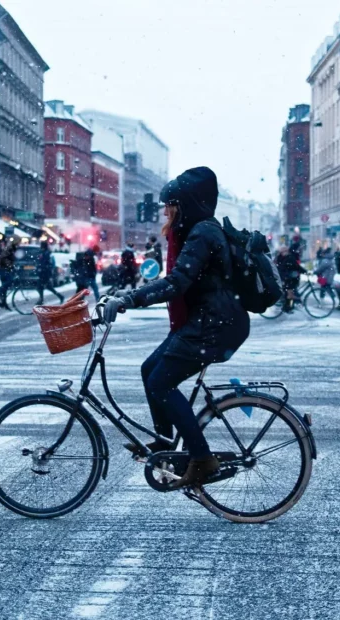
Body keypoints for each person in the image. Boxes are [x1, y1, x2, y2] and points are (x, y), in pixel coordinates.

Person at [103, 166, 250, 489]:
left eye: (171, 204)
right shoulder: (197, 230)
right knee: (149, 370)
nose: (166, 211)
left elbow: (177, 282)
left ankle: (202, 459)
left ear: (186, 204)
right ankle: (165, 442)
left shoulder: (203, 234)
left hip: (214, 325)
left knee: (161, 383)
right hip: (208, 321)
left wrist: (130, 299)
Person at [276, 246, 306, 313]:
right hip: (288, 279)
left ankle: (290, 307)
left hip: (287, 278)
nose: (284, 252)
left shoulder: (284, 257)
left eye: (285, 251)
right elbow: (296, 267)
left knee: (290, 294)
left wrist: (304, 271)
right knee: (290, 295)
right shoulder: (287, 258)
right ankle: (287, 308)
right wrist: (304, 271)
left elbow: (296, 266)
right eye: (283, 251)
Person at [0, 240, 18, 308]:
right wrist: (10, 266)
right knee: (9, 281)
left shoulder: (8, 250)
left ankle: (3, 303)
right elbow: (4, 259)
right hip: (3, 269)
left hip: (4, 269)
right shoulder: (7, 250)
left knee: (5, 286)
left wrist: (12, 266)